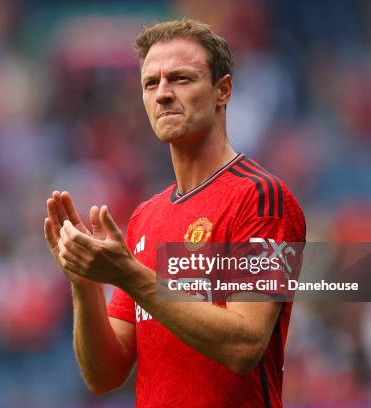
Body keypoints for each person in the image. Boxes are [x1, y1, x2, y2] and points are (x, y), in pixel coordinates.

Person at [43, 19, 305, 408]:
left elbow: (245, 343)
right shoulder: (145, 217)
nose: (163, 94)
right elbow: (104, 375)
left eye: (181, 79)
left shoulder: (261, 197)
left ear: (223, 90)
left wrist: (128, 274)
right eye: (151, 83)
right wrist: (85, 284)